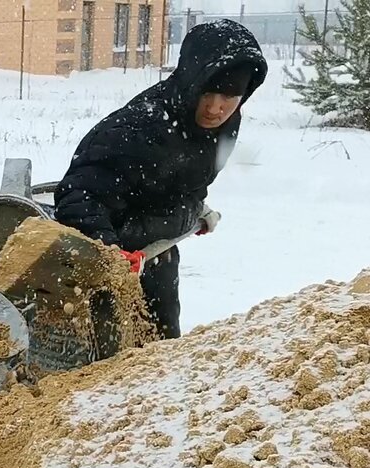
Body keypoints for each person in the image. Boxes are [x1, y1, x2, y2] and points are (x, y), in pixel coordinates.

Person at [54, 19, 267, 339]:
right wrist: (110, 254)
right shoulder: (140, 129)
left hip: (156, 250)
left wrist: (194, 210)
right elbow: (77, 194)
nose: (215, 108)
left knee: (161, 348)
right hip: (103, 256)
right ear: (190, 81)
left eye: (230, 96)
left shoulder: (225, 125)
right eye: (207, 92)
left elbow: (188, 181)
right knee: (105, 356)